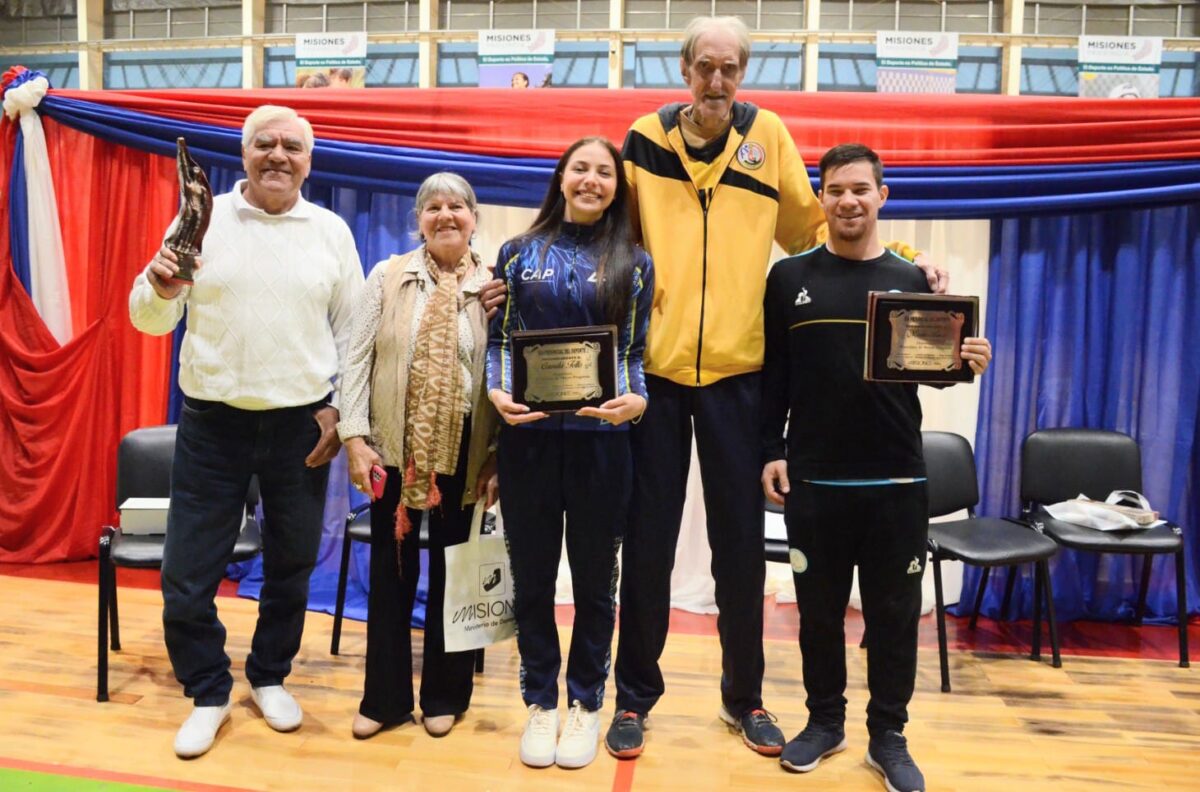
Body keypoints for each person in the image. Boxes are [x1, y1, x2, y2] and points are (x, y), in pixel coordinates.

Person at [605, 15, 948, 760]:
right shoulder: (641, 140)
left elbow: (820, 231)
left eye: (731, 68)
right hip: (655, 378)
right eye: (705, 68)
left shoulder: (771, 139)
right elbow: (607, 237)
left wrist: (911, 270)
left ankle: (745, 699)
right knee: (649, 545)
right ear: (684, 68)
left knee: (738, 551)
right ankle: (634, 699)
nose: (718, 82)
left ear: (743, 72)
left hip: (738, 378)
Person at [128, 104, 364, 758]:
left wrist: (341, 411)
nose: (278, 155)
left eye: (292, 146)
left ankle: (267, 675)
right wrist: (158, 285)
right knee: (185, 573)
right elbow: (146, 318)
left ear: (308, 162)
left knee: (291, 563)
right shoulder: (198, 223)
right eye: (265, 144)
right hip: (212, 427)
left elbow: (350, 333)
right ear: (246, 153)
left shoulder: (330, 231)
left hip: (302, 426)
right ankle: (207, 688)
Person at [760, 143, 991, 792]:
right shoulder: (787, 280)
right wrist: (770, 452)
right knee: (818, 615)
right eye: (835, 190)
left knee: (893, 618)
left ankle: (888, 736)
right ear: (821, 197)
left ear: (882, 195)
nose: (848, 201)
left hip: (896, 482)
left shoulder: (915, 280)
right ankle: (824, 721)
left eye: (860, 189)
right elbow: (773, 378)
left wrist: (965, 359)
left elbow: (933, 377)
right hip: (813, 481)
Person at [486, 137, 653, 770]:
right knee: (531, 579)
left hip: (603, 447)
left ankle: (586, 702)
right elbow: (500, 341)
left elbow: (633, 354)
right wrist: (496, 391)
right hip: (527, 441)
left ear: (616, 186)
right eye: (580, 168)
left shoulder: (634, 262)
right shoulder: (517, 254)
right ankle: (540, 703)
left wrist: (637, 401)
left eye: (603, 172)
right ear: (561, 178)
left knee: (593, 585)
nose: (591, 180)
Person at [336, 172, 499, 740]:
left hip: (466, 452)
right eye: (433, 207)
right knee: (390, 574)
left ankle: (446, 694)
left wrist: (498, 455)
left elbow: (507, 374)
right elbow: (355, 360)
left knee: (457, 578)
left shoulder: (496, 286)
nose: (445, 215)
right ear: (418, 219)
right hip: (393, 452)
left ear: (474, 216)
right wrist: (354, 438)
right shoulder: (386, 276)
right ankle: (383, 699)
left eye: (457, 205)